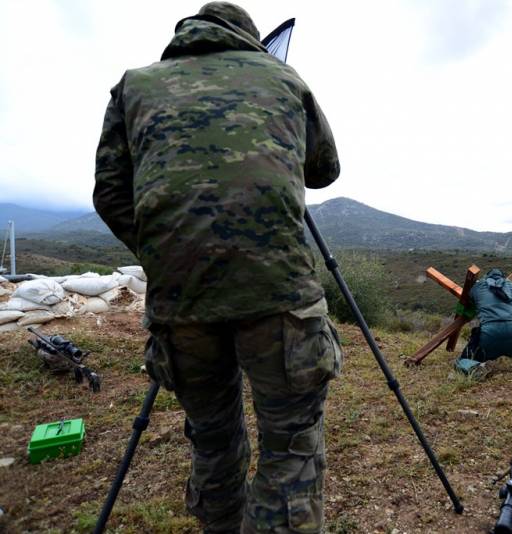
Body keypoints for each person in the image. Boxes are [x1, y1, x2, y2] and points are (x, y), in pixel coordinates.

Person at [93, 3, 341, 532]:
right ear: (250, 40)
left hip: (182, 302)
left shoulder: (134, 86)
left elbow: (110, 193)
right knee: (291, 450)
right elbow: (325, 168)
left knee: (213, 439)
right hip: (279, 298)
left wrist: (170, 252)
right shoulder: (284, 78)